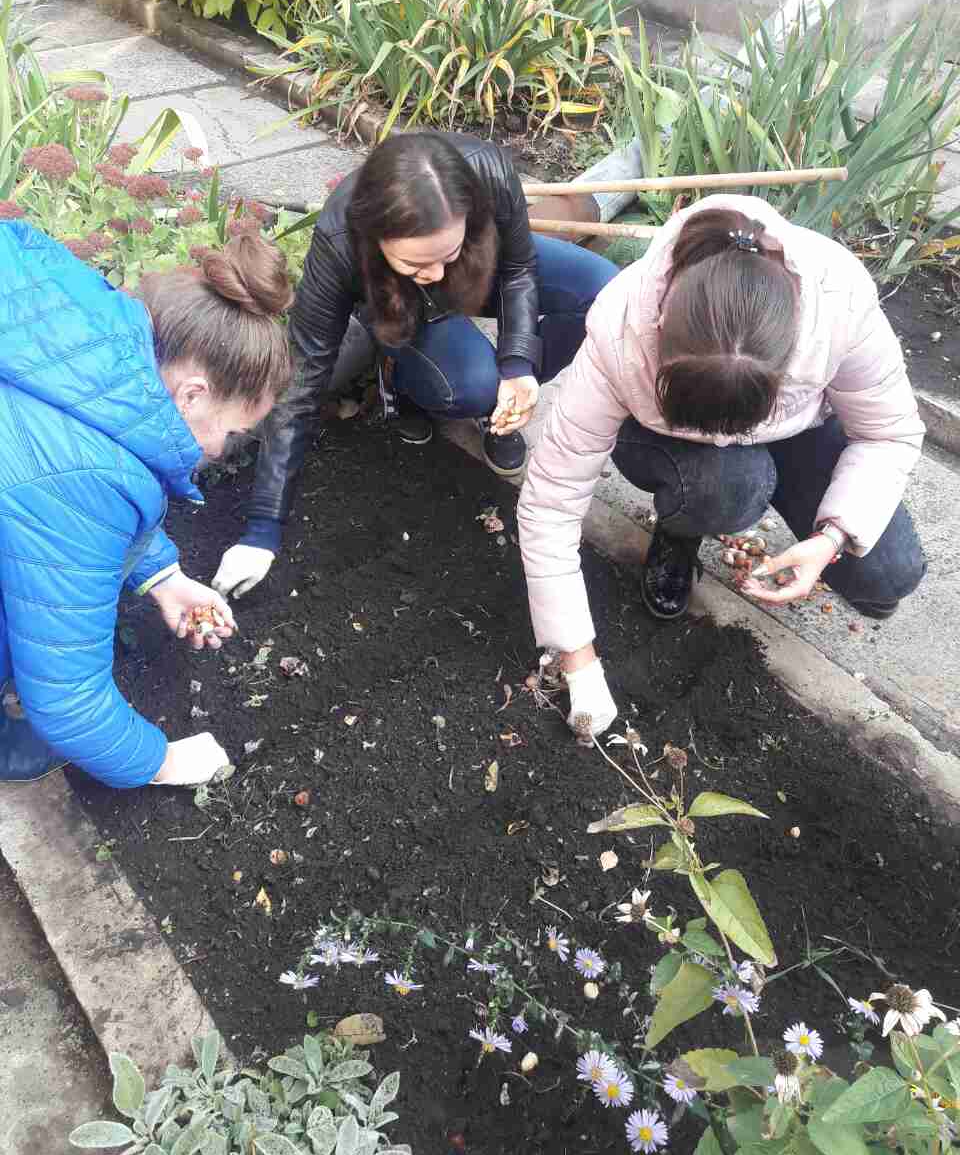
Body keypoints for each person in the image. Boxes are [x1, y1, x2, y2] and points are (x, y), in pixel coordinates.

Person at [517, 197, 927, 738]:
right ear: (661, 335)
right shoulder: (621, 332)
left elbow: (889, 433)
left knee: (889, 575)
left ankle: (759, 486)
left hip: (795, 429)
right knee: (729, 484)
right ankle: (681, 526)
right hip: (671, 439)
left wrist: (830, 539)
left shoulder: (838, 303)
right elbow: (551, 500)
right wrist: (577, 658)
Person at [212, 131, 619, 600]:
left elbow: (518, 268)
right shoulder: (340, 241)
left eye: (446, 254)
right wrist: (262, 530)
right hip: (398, 301)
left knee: (605, 296)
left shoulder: (488, 172)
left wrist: (518, 364)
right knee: (470, 385)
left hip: (481, 267)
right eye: (417, 261)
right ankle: (405, 379)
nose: (436, 274)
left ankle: (502, 400)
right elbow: (302, 379)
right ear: (377, 239)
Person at [0, 222, 294, 786]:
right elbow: (69, 704)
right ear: (192, 395)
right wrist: (162, 761)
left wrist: (162, 576)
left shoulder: (77, 324)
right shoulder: (84, 475)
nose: (220, 450)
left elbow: (57, 490)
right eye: (232, 433)